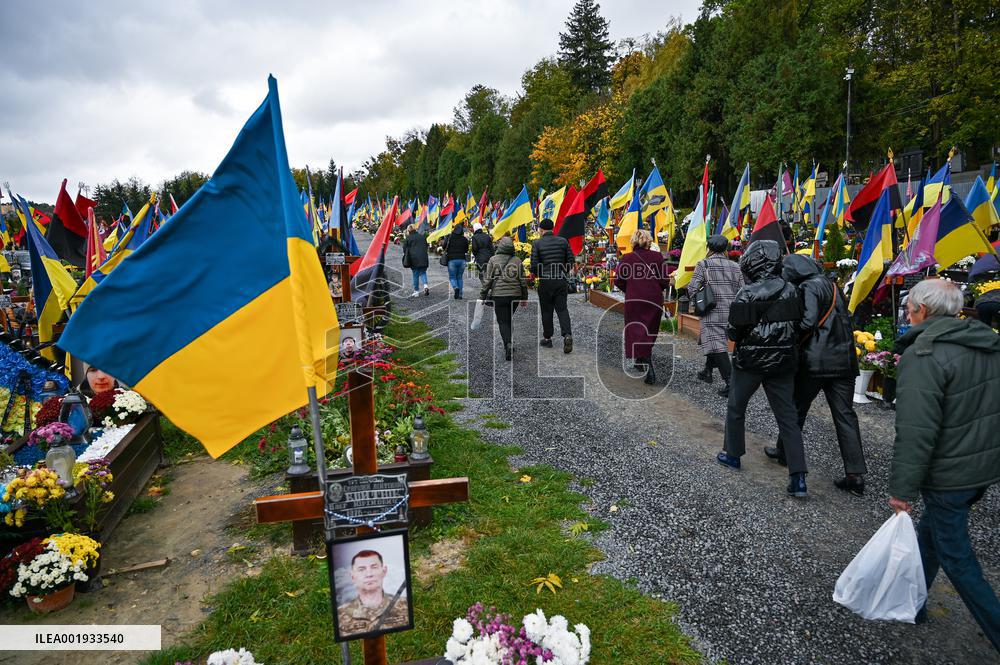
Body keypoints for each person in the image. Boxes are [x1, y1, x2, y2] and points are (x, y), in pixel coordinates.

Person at [888, 279, 1000, 648]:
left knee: (957, 557)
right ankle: (912, 603)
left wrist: (902, 490)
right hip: (981, 466)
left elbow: (916, 429)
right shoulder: (985, 343)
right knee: (930, 537)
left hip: (950, 472)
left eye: (909, 309)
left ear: (922, 311)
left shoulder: (927, 354)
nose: (906, 314)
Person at [763, 255, 867, 494]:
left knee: (796, 408)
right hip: (845, 360)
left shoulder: (808, 286)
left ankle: (785, 453)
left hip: (816, 361)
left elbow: (808, 321)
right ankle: (855, 474)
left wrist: (788, 336)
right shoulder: (832, 284)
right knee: (845, 416)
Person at [716, 239, 809, 498]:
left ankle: (732, 454)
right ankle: (798, 477)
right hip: (783, 361)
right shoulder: (791, 289)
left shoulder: (747, 293)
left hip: (751, 361)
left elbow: (734, 331)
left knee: (736, 407)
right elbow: (799, 322)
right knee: (787, 417)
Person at [687, 234, 744, 397]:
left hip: (711, 310)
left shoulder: (703, 265)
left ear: (709, 248)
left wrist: (698, 300)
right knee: (715, 340)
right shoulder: (735, 266)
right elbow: (742, 289)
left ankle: (730, 382)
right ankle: (707, 371)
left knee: (717, 345)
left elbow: (692, 288)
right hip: (731, 311)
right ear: (726, 249)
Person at [615, 229, 670, 384]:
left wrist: (631, 288)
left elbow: (619, 280)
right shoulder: (657, 257)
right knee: (650, 330)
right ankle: (641, 358)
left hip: (635, 298)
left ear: (633, 241)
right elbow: (664, 280)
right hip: (653, 299)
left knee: (636, 329)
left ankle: (647, 364)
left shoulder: (627, 258)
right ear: (649, 241)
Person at [337, 549, 409, 637]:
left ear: (384, 571)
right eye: (361, 569)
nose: (369, 574)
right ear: (353, 576)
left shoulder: (405, 605)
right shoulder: (340, 614)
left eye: (374, 567)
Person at [480, 236, 528, 361]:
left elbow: (488, 280)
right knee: (508, 318)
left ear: (500, 246)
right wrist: (524, 297)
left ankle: (508, 344)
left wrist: (482, 296)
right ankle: (510, 342)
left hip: (499, 295)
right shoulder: (517, 260)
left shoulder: (493, 260)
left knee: (503, 321)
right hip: (515, 295)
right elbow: (523, 281)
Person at [530, 218, 574, 353]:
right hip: (560, 280)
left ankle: (548, 338)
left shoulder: (537, 243)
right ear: (552, 228)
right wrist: (563, 271)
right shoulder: (563, 241)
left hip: (546, 281)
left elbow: (534, 265)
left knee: (546, 310)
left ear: (541, 229)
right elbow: (571, 260)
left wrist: (539, 274)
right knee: (562, 309)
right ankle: (567, 335)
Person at [402, 224, 430, 297]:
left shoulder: (408, 238)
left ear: (408, 230)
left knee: (415, 275)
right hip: (423, 257)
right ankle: (425, 286)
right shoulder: (422, 237)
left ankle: (416, 291)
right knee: (423, 272)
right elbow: (426, 246)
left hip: (413, 259)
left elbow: (404, 249)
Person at [444, 223, 470, 300]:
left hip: (452, 260)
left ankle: (455, 288)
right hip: (462, 260)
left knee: (452, 277)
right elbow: (466, 250)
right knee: (459, 277)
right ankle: (460, 295)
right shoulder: (464, 239)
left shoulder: (450, 238)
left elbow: (444, 246)